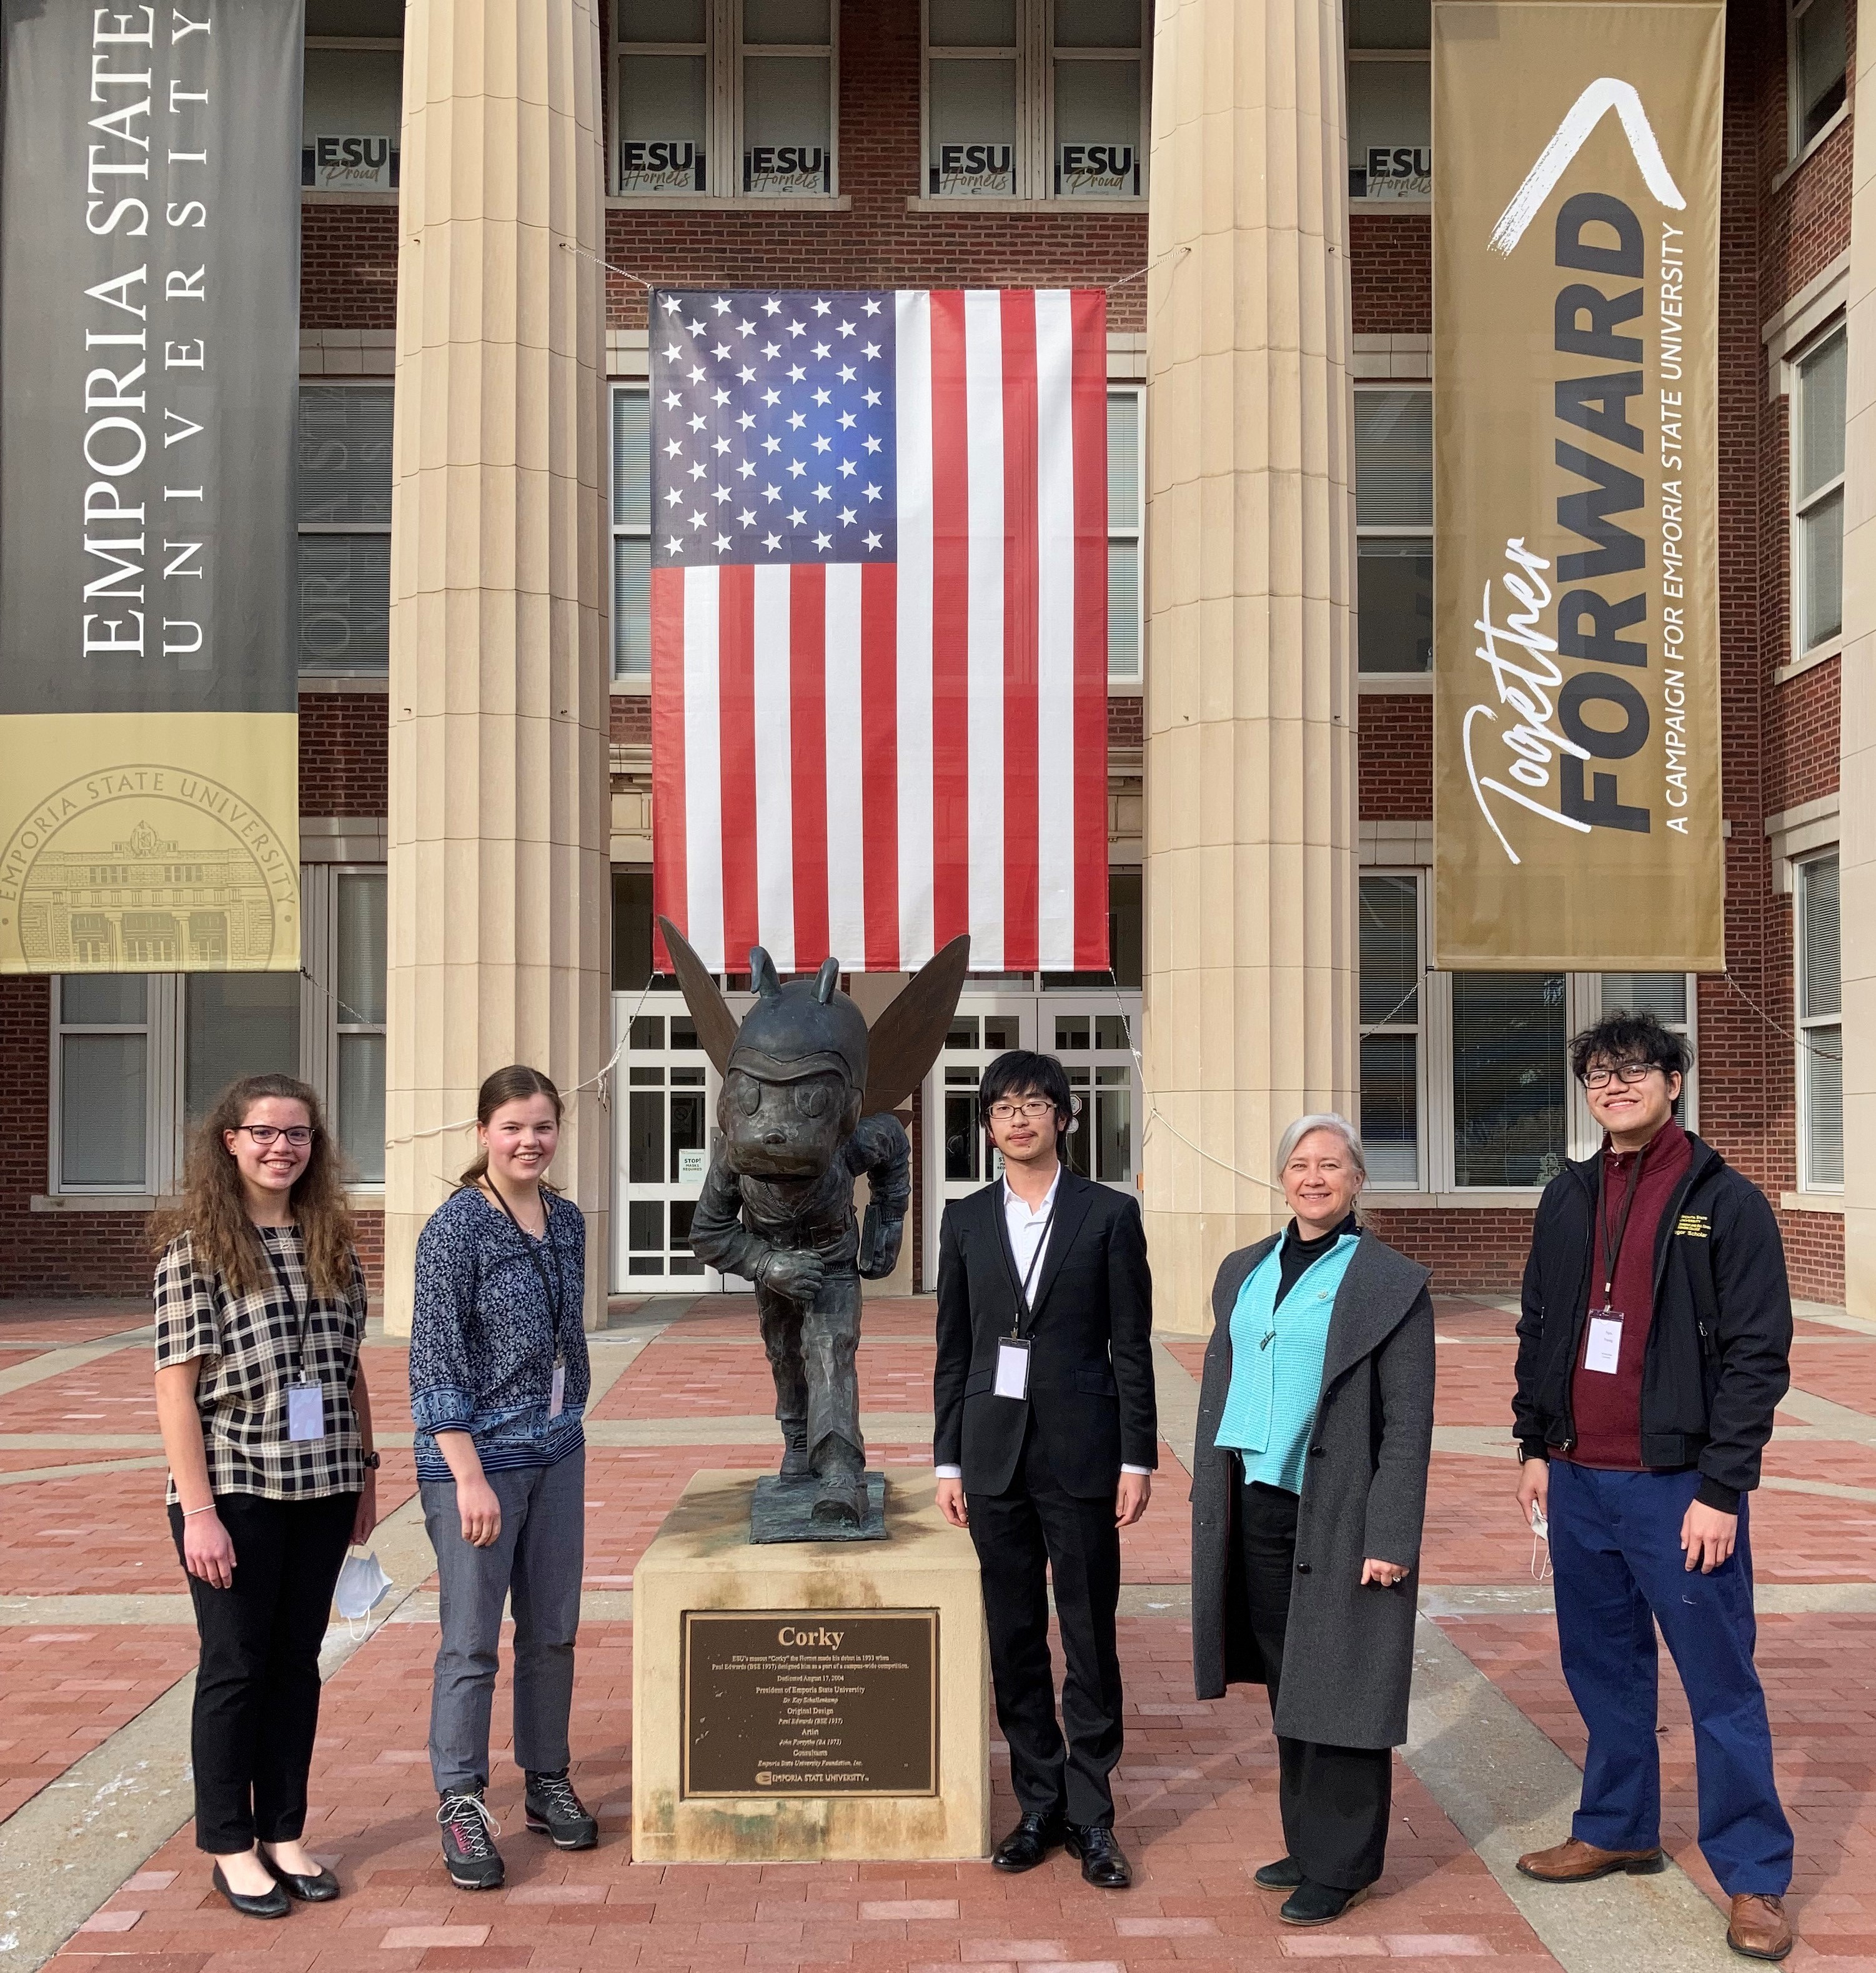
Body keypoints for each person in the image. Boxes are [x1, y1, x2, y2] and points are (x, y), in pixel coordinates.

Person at [1512, 1011, 1795, 1962]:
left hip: (1678, 1488)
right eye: (1599, 1074)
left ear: (1673, 1082)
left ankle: (1754, 1876)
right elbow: (1541, 1324)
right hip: (1579, 1479)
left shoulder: (1726, 1200)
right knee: (1603, 1670)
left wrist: (1723, 1488)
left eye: (1635, 1070)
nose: (1616, 1086)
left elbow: (1758, 1355)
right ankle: (1618, 1825)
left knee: (1720, 1683)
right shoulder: (1567, 1196)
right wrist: (1532, 1444)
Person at [1189, 1115, 1434, 1927]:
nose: (1314, 1177)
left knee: (1344, 1683)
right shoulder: (1244, 1268)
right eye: (1300, 1164)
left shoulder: (1390, 1281)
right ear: (1282, 1178)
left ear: (1357, 1179)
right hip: (1255, 1502)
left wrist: (1390, 1536)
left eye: (1332, 1164)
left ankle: (1345, 1864)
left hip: (1340, 1512)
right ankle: (1309, 1840)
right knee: (1290, 1678)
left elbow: (1408, 1424)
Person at [152, 1074, 379, 1920]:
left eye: (298, 1135)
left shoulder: (333, 1243)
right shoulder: (197, 1252)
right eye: (265, 1133)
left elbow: (348, 1370)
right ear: (231, 1142)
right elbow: (175, 1393)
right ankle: (230, 1844)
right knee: (236, 1665)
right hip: (235, 1488)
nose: (282, 1148)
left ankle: (284, 1832)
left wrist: (365, 1475)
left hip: (322, 1485)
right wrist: (199, 1514)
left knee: (295, 1665)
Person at [933, 1049, 1156, 1891]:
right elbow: (954, 1348)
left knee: (1090, 1634)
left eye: (1033, 1104)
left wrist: (1137, 1457)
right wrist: (948, 1460)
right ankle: (1038, 1804)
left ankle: (1092, 1814)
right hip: (993, 1457)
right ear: (988, 1128)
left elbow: (1131, 1346)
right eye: (1003, 1108)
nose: (1018, 1119)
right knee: (1015, 1635)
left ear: (1063, 1117)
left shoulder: (1109, 1214)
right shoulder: (964, 1219)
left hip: (1084, 1454)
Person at [411, 1064, 596, 1891]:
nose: (530, 1141)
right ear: (483, 1132)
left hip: (556, 1451)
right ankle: (460, 1799)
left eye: (543, 1126)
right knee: (472, 1639)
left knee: (552, 1629)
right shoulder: (454, 1229)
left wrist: (567, 1419)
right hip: (476, 1463)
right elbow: (434, 1359)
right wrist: (468, 1474)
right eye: (514, 1126)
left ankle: (546, 1777)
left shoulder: (567, 1220)